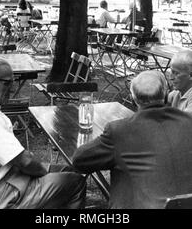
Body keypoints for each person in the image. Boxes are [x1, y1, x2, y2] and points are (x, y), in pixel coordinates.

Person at [0, 56, 86, 209]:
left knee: (67, 170)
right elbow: (24, 161)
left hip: (0, 179)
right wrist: (43, 173)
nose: (12, 89)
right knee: (76, 183)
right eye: (7, 83)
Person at [73, 69, 192, 209]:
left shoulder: (119, 130)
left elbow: (79, 161)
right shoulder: (188, 122)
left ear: (133, 98)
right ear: (165, 95)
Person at [168, 50, 192, 115]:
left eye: (176, 73)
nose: (171, 78)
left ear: (191, 75)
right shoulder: (176, 94)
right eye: (171, 72)